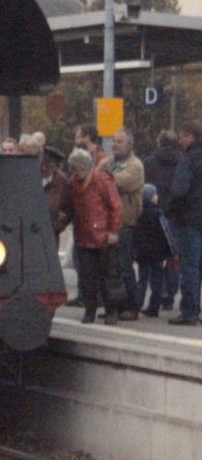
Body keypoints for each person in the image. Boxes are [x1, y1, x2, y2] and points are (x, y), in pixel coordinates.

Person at [62, 148, 125, 325]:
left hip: (103, 237)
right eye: (73, 170)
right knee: (87, 279)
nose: (75, 174)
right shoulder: (74, 183)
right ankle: (90, 310)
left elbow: (116, 207)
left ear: (87, 168)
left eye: (77, 170)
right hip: (84, 237)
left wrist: (114, 231)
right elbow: (68, 207)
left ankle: (111, 311)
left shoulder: (102, 181)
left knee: (108, 277)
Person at [100, 127, 144, 319]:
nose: (115, 145)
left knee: (125, 267)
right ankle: (114, 306)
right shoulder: (107, 162)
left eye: (119, 141)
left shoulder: (135, 166)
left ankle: (132, 307)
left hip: (126, 224)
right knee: (109, 268)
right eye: (114, 141)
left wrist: (102, 179)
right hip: (105, 223)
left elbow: (115, 184)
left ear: (130, 145)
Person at [166, 120, 202, 326]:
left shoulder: (188, 159)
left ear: (190, 137)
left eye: (182, 136)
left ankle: (189, 312)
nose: (180, 140)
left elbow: (179, 191)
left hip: (189, 221)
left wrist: (172, 211)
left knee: (189, 267)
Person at [143, 129, 181, 310]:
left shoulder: (149, 163)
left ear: (159, 143)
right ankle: (169, 295)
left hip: (154, 215)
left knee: (155, 258)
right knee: (174, 256)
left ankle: (156, 295)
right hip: (176, 215)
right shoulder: (183, 162)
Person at [134, 184, 174, 317]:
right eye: (155, 194)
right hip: (157, 254)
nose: (157, 196)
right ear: (151, 197)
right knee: (157, 281)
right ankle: (154, 307)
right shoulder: (157, 213)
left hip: (142, 253)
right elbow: (165, 233)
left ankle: (136, 305)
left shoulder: (139, 213)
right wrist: (170, 251)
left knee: (142, 279)